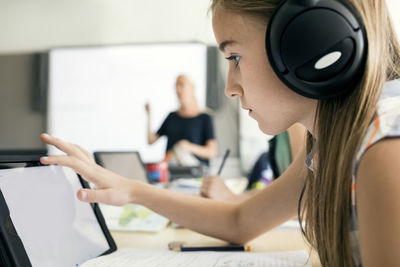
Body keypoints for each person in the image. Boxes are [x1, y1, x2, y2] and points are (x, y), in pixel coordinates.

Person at [40, 0, 400, 266]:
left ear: (309, 43)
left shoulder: (384, 148)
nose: (230, 87)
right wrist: (131, 190)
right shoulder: (330, 145)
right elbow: (240, 222)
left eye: (235, 58)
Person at [200, 123, 306, 202]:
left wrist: (231, 198)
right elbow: (274, 191)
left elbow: (302, 202)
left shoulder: (298, 125)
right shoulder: (282, 131)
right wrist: (229, 195)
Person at [145, 74, 217, 166]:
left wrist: (189, 147)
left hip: (195, 174)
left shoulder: (204, 118)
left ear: (192, 88)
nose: (177, 89)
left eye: (181, 85)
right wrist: (149, 116)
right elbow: (151, 140)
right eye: (176, 86)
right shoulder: (171, 117)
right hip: (172, 172)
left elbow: (212, 152)